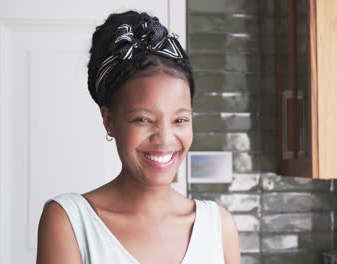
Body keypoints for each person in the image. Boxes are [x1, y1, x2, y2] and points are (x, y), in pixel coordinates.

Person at [36, 10, 240, 264]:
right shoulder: (70, 221)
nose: (165, 138)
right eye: (143, 119)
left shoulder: (219, 226)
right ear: (109, 120)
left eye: (180, 120)